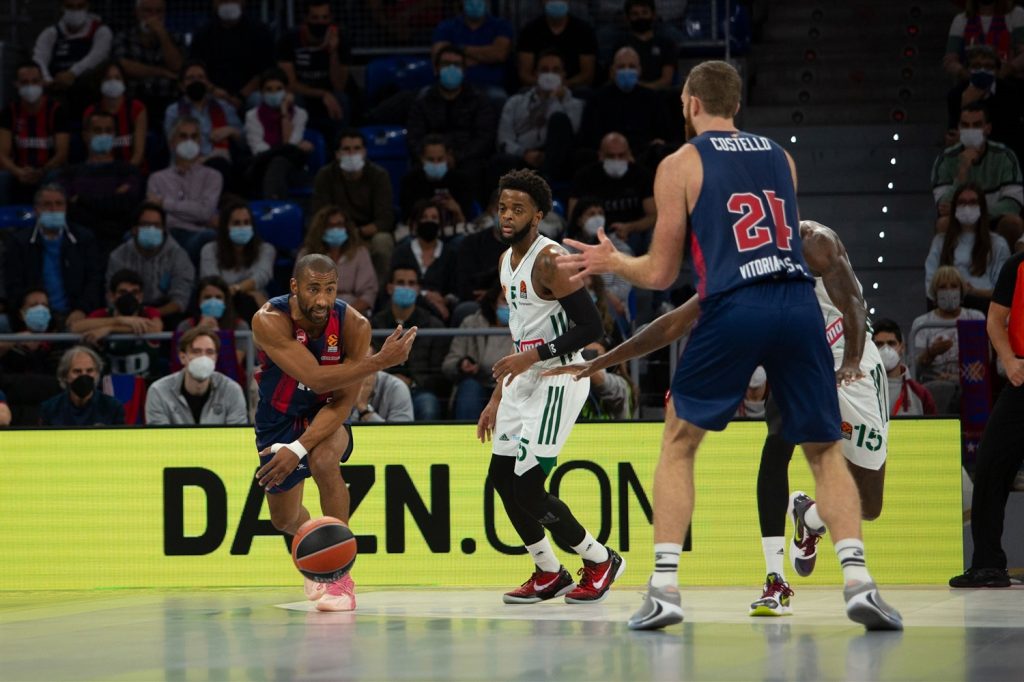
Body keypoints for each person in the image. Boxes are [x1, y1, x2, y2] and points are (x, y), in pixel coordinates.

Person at [557, 60, 902, 631]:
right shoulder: (780, 157)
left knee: (680, 440)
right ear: (735, 105)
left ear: (691, 103)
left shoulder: (680, 163)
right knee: (823, 451)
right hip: (796, 304)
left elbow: (664, 273)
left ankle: (664, 587)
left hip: (736, 304)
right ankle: (859, 581)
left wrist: (615, 261)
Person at [557, 219, 893, 617]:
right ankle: (775, 579)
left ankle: (811, 517)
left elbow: (855, 302)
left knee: (869, 504)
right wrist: (604, 360)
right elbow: (672, 324)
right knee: (777, 445)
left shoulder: (813, 240)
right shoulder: (735, 267)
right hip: (798, 360)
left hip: (848, 358)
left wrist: (852, 362)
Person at [475, 168, 625, 605]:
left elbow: (591, 326)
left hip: (559, 380)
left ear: (538, 216)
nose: (506, 216)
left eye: (517, 209)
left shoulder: (550, 260)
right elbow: (523, 332)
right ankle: (548, 571)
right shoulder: (506, 261)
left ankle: (599, 560)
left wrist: (529, 360)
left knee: (528, 488)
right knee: (502, 479)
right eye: (502, 207)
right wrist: (498, 393)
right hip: (522, 380)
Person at [250, 253, 417, 611]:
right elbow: (313, 376)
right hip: (277, 418)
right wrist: (379, 362)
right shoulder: (268, 320)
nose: (323, 299)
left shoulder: (354, 325)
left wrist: (298, 448)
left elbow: (342, 401)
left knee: (325, 461)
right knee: (283, 518)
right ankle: (316, 551)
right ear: (295, 287)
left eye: (330, 289)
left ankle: (339, 577)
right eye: (313, 289)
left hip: (325, 412)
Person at [950, 247, 1024, 588]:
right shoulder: (1016, 266)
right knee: (992, 463)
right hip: (1022, 376)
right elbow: (995, 319)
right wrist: (1008, 361)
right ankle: (987, 565)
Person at [2, 184, 103, 329]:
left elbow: (94, 279)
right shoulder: (19, 242)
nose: (54, 209)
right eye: (47, 204)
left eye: (59, 204)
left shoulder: (84, 239)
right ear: (36, 210)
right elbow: (13, 284)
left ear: (66, 208)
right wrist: (27, 311)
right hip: (31, 315)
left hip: (75, 315)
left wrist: (82, 309)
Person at [407, 46, 498, 197]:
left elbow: (484, 137)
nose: (451, 69)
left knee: (479, 169)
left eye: (456, 65)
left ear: (464, 70)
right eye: (446, 64)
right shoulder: (423, 101)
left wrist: (456, 157)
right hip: (430, 158)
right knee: (415, 173)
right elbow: (414, 137)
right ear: (436, 69)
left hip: (467, 160)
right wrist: (431, 157)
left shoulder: (479, 100)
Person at [931, 102, 1024, 246]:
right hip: (960, 221)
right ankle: (949, 269)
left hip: (994, 219)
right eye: (965, 125)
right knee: (944, 224)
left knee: (1013, 222)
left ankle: (1008, 268)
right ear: (959, 128)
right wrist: (962, 172)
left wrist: (978, 210)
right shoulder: (945, 159)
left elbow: (1013, 204)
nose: (971, 130)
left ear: (988, 128)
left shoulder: (1005, 156)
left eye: (977, 125)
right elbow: (943, 207)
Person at [311, 129, 395, 284]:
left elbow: (385, 220)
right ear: (337, 154)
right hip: (334, 231)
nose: (352, 153)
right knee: (310, 245)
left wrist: (356, 232)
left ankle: (380, 293)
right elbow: (319, 215)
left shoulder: (379, 175)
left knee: (383, 241)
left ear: (364, 152)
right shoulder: (325, 175)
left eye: (357, 149)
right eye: (346, 149)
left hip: (366, 235)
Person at [371, 265, 450, 420]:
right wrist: (393, 381)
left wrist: (412, 382)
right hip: (382, 389)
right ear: (389, 288)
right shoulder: (374, 324)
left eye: (411, 283)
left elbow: (439, 373)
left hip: (419, 390)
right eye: (401, 282)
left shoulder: (433, 325)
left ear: (418, 289)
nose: (406, 287)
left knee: (428, 406)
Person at [494, 50, 583, 184]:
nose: (549, 75)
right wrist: (523, 153)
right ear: (536, 74)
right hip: (521, 156)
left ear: (564, 75)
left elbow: (570, 134)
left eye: (555, 70)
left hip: (555, 161)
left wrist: (554, 100)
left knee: (559, 119)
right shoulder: (515, 102)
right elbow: (504, 138)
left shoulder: (575, 105)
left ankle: (545, 183)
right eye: (544, 70)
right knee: (500, 161)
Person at [60, 110, 144, 254]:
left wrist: (82, 199)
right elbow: (68, 211)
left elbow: (126, 206)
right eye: (97, 130)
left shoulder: (129, 171)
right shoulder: (69, 174)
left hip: (118, 239)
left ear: (114, 135)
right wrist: (112, 197)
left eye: (108, 130)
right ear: (85, 135)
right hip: (80, 240)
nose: (103, 135)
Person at [105, 202, 195, 326]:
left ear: (164, 229)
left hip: (165, 315)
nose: (152, 230)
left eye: (157, 225)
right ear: (134, 229)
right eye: (146, 225)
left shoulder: (178, 256)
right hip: (125, 314)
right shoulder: (118, 256)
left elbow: (180, 301)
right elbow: (111, 296)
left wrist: (150, 315)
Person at [924, 182, 1010, 312]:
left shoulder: (998, 244)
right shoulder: (940, 242)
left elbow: (1003, 291)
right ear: (955, 208)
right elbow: (930, 283)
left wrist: (973, 291)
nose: (967, 207)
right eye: (962, 203)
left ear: (981, 207)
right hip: (947, 306)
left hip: (984, 307)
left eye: (973, 202)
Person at [912, 266, 986, 413]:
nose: (949, 290)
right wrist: (931, 352)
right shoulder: (921, 323)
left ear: (961, 290)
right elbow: (915, 368)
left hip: (970, 383)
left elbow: (984, 361)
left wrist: (956, 377)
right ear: (935, 293)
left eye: (953, 286)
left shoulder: (976, 318)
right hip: (934, 385)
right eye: (943, 287)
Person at [147, 116, 223, 260]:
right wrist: (198, 215)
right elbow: (160, 218)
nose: (189, 141)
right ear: (172, 143)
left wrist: (164, 203)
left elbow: (205, 212)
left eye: (193, 137)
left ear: (199, 142)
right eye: (183, 136)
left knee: (210, 237)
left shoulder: (213, 176)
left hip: (197, 235)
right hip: (166, 235)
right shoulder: (156, 178)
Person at [568, 133, 656, 254]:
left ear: (629, 154)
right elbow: (574, 215)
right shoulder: (585, 177)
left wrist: (630, 227)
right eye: (611, 156)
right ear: (601, 155)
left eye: (621, 155)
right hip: (593, 234)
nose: (616, 160)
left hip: (632, 233)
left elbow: (653, 216)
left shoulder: (642, 175)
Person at [578, 47, 672, 160]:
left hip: (644, 158)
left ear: (639, 70)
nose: (626, 70)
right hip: (607, 158)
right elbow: (588, 138)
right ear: (612, 71)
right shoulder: (596, 100)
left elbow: (665, 135)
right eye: (621, 67)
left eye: (631, 66)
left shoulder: (653, 99)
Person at [163, 60, 243, 188]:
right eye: (191, 78)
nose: (196, 81)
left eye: (201, 77)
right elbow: (173, 145)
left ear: (208, 83)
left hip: (221, 165)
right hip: (186, 165)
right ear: (182, 86)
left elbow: (244, 141)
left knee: (221, 165)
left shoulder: (223, 107)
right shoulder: (174, 111)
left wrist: (230, 130)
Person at [71, 268, 164, 379]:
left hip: (144, 385)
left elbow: (156, 329)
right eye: (123, 292)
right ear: (111, 296)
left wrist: (110, 328)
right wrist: (119, 320)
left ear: (141, 296)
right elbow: (75, 327)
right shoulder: (103, 314)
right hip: (108, 386)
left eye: (134, 292)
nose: (129, 297)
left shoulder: (148, 312)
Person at [277, 0, 352, 136]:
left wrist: (333, 51)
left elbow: (339, 85)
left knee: (341, 99)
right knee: (293, 99)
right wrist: (322, 93)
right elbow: (290, 84)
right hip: (304, 93)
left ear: (331, 19)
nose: (320, 23)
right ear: (305, 19)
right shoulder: (289, 39)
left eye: (325, 18)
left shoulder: (341, 39)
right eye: (315, 18)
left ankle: (340, 147)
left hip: (331, 96)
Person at [146, 326, 248, 425]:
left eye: (209, 352)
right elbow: (159, 439)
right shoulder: (158, 391)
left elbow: (236, 437)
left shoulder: (232, 390)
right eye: (196, 351)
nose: (203, 358)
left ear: (216, 358)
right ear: (182, 357)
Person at [0, 62, 70, 204]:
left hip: (47, 171)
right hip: (18, 172)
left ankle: (50, 220)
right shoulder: (9, 112)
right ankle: (5, 224)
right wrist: (18, 171)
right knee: (3, 177)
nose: (30, 86)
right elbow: (2, 154)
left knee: (56, 175)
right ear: (16, 85)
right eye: (25, 82)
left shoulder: (56, 111)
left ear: (43, 83)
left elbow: (62, 153)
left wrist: (42, 171)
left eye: (35, 81)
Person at [443, 287, 515, 420]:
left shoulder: (527, 327)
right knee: (469, 388)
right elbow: (448, 364)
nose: (510, 304)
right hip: (477, 385)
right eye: (505, 300)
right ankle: (467, 437)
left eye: (514, 300)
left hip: (510, 387)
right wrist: (462, 365)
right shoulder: (471, 324)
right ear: (494, 303)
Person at [188, 0, 276, 109]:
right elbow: (194, 68)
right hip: (213, 92)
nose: (228, 2)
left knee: (259, 99)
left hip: (250, 93)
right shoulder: (202, 33)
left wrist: (241, 96)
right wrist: (213, 89)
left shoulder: (260, 31)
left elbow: (265, 70)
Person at [945, 45, 1024, 163]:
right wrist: (965, 105)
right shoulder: (956, 95)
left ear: (997, 71)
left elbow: (1013, 133)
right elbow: (953, 135)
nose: (982, 70)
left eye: (988, 66)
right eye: (976, 66)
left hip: (1006, 156)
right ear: (968, 69)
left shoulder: (1013, 92)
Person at [199, 203, 275, 322]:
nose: (242, 227)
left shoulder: (266, 250)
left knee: (249, 302)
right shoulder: (209, 250)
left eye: (246, 222)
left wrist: (237, 289)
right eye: (236, 223)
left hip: (251, 303)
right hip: (220, 301)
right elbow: (212, 284)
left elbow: (261, 277)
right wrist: (242, 289)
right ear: (225, 227)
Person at [244, 68, 312, 199]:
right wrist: (288, 149)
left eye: (278, 89)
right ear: (261, 93)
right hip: (262, 167)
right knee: (278, 161)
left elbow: (290, 144)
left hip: (293, 168)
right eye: (269, 89)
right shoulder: (252, 116)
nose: (274, 93)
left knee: (280, 161)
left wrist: (284, 112)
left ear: (286, 91)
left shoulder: (300, 114)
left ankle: (274, 206)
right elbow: (258, 149)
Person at [113, 0, 185, 123]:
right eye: (148, 11)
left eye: (159, 11)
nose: (153, 16)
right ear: (137, 12)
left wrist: (162, 35)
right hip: (134, 99)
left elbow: (177, 67)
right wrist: (161, 72)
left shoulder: (175, 38)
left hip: (167, 100)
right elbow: (124, 66)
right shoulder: (124, 37)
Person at [299, 206, 378, 317]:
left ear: (346, 227)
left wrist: (343, 315)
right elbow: (299, 291)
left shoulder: (360, 253)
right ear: (321, 229)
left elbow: (368, 293)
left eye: (339, 224)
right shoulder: (307, 254)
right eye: (331, 225)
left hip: (352, 314)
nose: (335, 229)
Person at [564, 196, 633, 324]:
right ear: (579, 220)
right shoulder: (566, 250)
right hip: (579, 310)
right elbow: (567, 286)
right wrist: (602, 294)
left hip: (613, 311)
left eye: (600, 213)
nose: (597, 218)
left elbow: (624, 286)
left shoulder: (619, 247)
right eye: (591, 214)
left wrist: (602, 295)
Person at [31, 0, 112, 106]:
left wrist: (72, 73)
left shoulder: (101, 31)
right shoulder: (50, 33)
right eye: (70, 6)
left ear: (87, 6)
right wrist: (47, 79)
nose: (75, 11)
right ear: (62, 7)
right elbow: (39, 58)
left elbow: (97, 56)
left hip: (89, 91)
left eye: (80, 6)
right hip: (56, 90)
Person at [391, 199, 458, 322]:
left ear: (441, 223)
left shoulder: (450, 254)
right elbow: (393, 285)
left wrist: (444, 300)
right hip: (407, 307)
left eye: (434, 218)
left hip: (441, 311)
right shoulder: (401, 252)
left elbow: (456, 289)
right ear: (416, 223)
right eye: (424, 217)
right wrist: (425, 296)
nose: (429, 221)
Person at [431, 0, 514, 98]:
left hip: (491, 87)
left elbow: (499, 54)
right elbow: (439, 55)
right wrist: (484, 58)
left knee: (499, 97)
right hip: (451, 87)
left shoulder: (501, 25)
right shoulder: (446, 26)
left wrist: (460, 49)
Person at [516, 0, 598, 89]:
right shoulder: (530, 31)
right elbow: (524, 74)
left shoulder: (584, 31)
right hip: (538, 88)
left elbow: (587, 75)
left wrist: (564, 85)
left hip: (573, 89)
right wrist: (545, 85)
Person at [82, 60, 147, 167]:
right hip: (100, 171)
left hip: (131, 171)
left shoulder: (137, 108)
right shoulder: (90, 112)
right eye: (108, 78)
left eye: (117, 78)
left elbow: (138, 154)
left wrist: (126, 174)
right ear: (100, 82)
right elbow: (90, 152)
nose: (113, 82)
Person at [39, 344, 124, 427]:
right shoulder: (50, 409)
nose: (84, 376)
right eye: (77, 371)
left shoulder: (113, 407)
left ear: (97, 373)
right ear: (65, 376)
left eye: (89, 371)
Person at [399, 134, 476, 223]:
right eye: (431, 160)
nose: (436, 164)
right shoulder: (409, 181)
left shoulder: (462, 181)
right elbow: (406, 220)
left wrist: (456, 210)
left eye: (440, 159)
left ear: (447, 157)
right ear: (422, 158)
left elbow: (467, 222)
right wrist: (427, 207)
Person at [943, 0, 1024, 81]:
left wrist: (1008, 69)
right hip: (971, 83)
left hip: (1010, 83)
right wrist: (964, 73)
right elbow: (950, 60)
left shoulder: (1016, 14)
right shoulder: (961, 20)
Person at [872, 318, 938, 417]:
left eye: (891, 343)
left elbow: (935, 430)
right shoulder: (860, 391)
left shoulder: (920, 394)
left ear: (902, 348)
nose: (885, 349)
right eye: (879, 344)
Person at [613, 0, 678, 90]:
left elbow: (666, 79)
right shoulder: (621, 45)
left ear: (653, 15)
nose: (640, 17)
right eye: (635, 14)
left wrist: (644, 91)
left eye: (645, 13)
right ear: (628, 18)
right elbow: (613, 76)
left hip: (658, 95)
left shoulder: (666, 44)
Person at [349, 350, 415, 423]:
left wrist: (363, 408)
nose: (360, 368)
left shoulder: (396, 387)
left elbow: (400, 432)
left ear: (377, 365)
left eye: (366, 362)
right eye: (355, 362)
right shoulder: (340, 384)